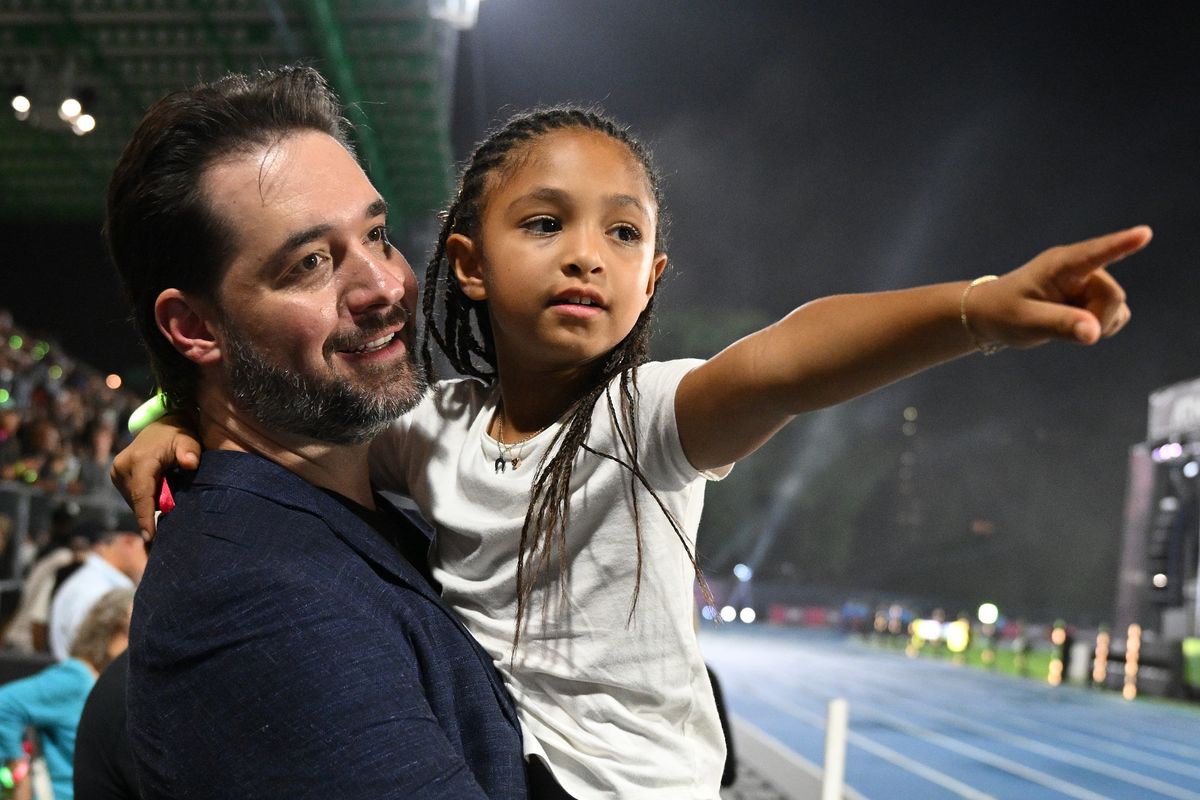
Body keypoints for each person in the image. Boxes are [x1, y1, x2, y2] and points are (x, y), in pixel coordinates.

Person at [117, 106, 1150, 797]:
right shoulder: (423, 430)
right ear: (469, 265)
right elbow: (263, 428)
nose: (584, 253)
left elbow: (788, 357)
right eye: (545, 221)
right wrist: (165, 421)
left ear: (652, 279)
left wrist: (971, 310)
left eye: (622, 235)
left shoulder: (646, 422)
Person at [104, 66, 526, 799]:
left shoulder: (340, 507)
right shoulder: (249, 602)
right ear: (194, 327)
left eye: (377, 234)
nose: (386, 285)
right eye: (311, 263)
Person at [0, 588, 133, 800]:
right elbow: (4, 704)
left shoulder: (110, 682)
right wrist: (17, 773)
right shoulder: (76, 677)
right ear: (108, 631)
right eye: (131, 630)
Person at [48, 520, 145, 662]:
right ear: (128, 542)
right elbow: (90, 657)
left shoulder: (95, 582)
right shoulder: (94, 588)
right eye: (150, 547)